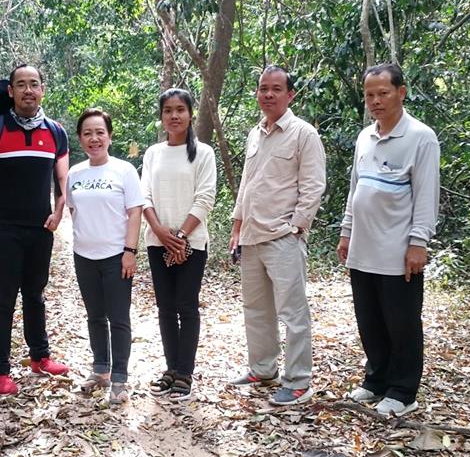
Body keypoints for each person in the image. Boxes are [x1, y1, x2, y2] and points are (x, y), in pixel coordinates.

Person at [337, 63, 440, 417]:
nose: (376, 101)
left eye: (383, 93)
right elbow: (355, 190)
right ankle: (376, 379)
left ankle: (403, 391)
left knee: (402, 321)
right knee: (369, 319)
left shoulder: (420, 137)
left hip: (397, 249)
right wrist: (346, 231)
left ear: (401, 92)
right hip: (363, 246)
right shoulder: (365, 137)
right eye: (369, 95)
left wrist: (418, 242)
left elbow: (427, 195)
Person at [228, 65, 326, 406]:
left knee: (292, 312)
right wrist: (237, 225)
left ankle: (298, 381)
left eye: (275, 89)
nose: (267, 94)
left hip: (283, 236)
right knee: (256, 309)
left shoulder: (303, 134)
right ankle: (263, 368)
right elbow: (246, 183)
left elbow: (313, 186)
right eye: (262, 88)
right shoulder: (255, 134)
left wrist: (297, 226)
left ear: (290, 94)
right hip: (252, 236)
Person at [0, 64, 70, 396]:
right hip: (5, 229)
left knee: (35, 294)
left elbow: (62, 180)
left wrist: (59, 211)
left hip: (40, 228)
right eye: (21, 85)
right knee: (4, 299)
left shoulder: (56, 132)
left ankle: (40, 356)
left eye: (35, 84)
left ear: (43, 89)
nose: (29, 90)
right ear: (10, 91)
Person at [141, 89, 216, 402]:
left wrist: (181, 236)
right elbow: (143, 195)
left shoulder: (203, 153)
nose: (174, 116)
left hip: (191, 243)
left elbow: (205, 197)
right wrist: (160, 231)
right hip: (157, 242)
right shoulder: (153, 153)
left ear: (190, 114)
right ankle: (171, 368)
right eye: (168, 110)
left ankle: (185, 372)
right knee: (165, 308)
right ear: (161, 117)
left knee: (186, 305)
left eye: (180, 110)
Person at [66, 109, 144, 404]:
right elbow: (74, 210)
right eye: (87, 133)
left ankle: (120, 379)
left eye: (100, 132)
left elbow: (134, 211)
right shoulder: (75, 172)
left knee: (118, 318)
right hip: (84, 256)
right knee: (95, 316)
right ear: (80, 138)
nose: (94, 138)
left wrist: (130, 251)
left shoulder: (124, 170)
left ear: (109, 136)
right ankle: (101, 370)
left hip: (116, 256)